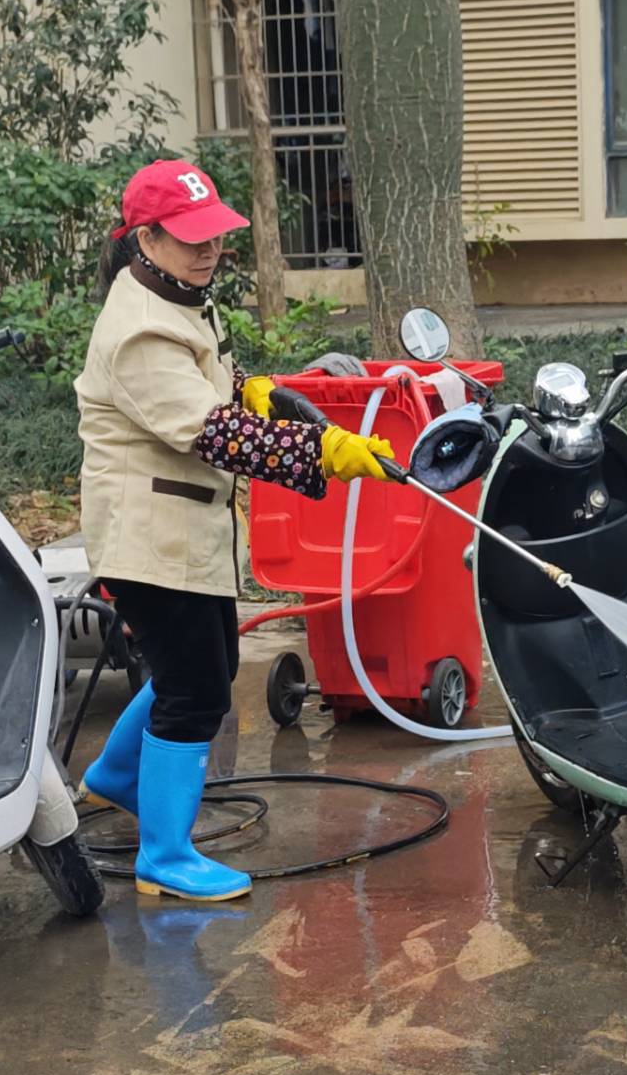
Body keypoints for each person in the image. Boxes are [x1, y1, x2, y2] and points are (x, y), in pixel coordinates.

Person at [74, 159, 397, 902]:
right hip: (148, 539)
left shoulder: (176, 293)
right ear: (146, 239)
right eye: (192, 239)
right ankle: (163, 857)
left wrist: (256, 388)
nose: (210, 249)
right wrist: (324, 450)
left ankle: (116, 776)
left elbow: (213, 382)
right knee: (193, 692)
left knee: (207, 667)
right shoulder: (138, 330)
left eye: (215, 235)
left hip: (187, 530)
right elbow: (212, 432)